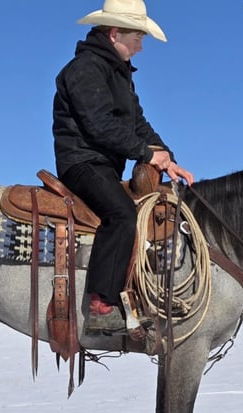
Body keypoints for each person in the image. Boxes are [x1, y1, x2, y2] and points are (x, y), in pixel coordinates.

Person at [52, 0, 194, 332]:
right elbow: (99, 125)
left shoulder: (119, 75)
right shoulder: (84, 69)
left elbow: (138, 125)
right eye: (138, 39)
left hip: (104, 165)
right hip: (82, 162)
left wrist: (166, 158)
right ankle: (101, 304)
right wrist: (145, 153)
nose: (141, 47)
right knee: (121, 215)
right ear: (115, 33)